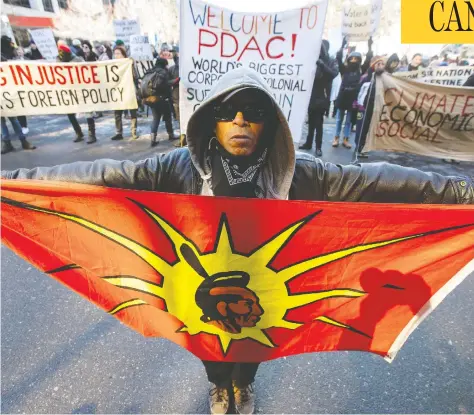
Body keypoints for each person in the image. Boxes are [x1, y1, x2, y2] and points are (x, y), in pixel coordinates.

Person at [1, 67, 472, 415]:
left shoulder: (300, 172)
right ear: (212, 122)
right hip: (196, 294)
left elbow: (378, 181)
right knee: (211, 349)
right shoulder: (175, 168)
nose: (242, 120)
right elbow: (99, 176)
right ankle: (218, 387)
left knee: (250, 352)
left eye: (255, 113)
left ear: (270, 125)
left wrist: (465, 192)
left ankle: (242, 389)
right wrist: (14, 183)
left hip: (264, 299)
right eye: (228, 112)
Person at [299, 40, 338, 156]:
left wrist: (322, 65)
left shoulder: (330, 61)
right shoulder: (312, 59)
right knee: (311, 122)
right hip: (312, 95)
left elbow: (333, 74)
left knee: (318, 124)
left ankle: (318, 146)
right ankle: (309, 143)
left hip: (322, 96)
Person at [333, 37, 373, 149]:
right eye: (352, 58)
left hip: (353, 98)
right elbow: (338, 58)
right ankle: (336, 138)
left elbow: (368, 60)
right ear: (349, 59)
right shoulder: (344, 69)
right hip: (343, 96)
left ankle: (345, 139)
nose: (354, 61)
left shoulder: (361, 70)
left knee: (349, 121)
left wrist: (370, 46)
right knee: (339, 119)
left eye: (356, 59)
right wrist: (342, 45)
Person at [57, 44, 97, 144]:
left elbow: (87, 72)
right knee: (70, 112)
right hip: (68, 91)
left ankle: (92, 134)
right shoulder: (59, 61)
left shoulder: (78, 60)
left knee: (88, 111)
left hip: (81, 90)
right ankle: (78, 133)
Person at [141, 57, 175, 146]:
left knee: (156, 118)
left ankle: (153, 139)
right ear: (164, 64)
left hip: (149, 99)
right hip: (161, 98)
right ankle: (171, 135)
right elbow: (166, 85)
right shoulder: (163, 72)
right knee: (167, 117)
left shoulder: (149, 71)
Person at [110, 45, 139, 141]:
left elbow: (135, 76)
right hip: (118, 91)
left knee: (132, 112)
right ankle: (119, 132)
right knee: (117, 113)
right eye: (115, 54)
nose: (116, 56)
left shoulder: (128, 63)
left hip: (129, 90)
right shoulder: (112, 64)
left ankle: (133, 131)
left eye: (118, 53)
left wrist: (131, 65)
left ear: (123, 54)